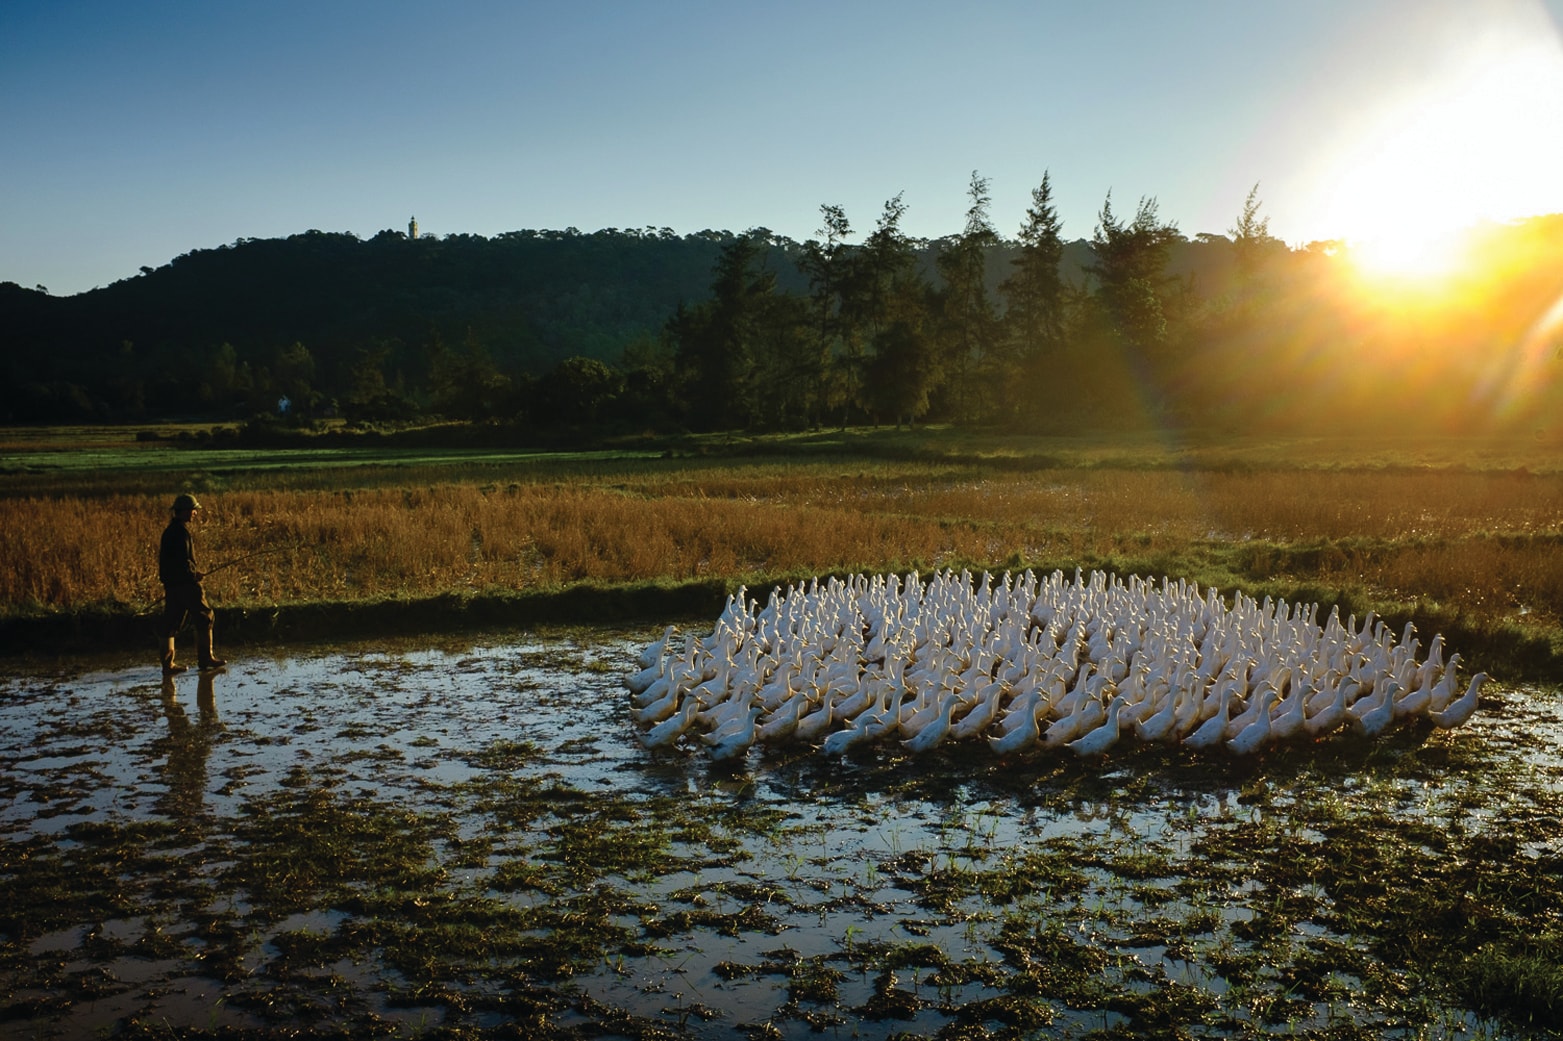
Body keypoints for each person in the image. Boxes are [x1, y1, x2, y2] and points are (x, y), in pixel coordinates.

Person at [159, 493, 226, 674]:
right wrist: (193, 575)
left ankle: (168, 665)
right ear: (184, 512)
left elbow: (172, 563)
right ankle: (206, 658)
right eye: (193, 510)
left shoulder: (170, 531)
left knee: (171, 623)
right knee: (205, 617)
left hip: (172, 585)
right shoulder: (181, 533)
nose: (195, 513)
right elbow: (183, 562)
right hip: (186, 584)